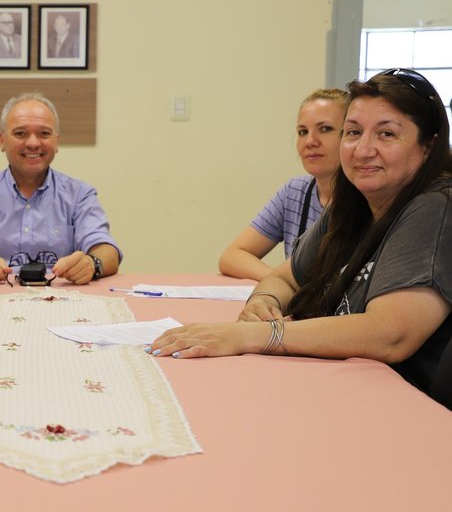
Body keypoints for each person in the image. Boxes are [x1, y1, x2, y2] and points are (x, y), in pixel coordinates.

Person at [149, 69, 451, 409]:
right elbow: (284, 279)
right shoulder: (353, 204)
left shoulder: (435, 206)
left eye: (386, 134)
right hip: (341, 386)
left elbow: (391, 334)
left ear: (429, 146)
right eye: (353, 132)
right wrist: (263, 304)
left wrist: (255, 335)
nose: (364, 149)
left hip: (403, 407)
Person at [0, 92, 122, 285]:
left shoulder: (80, 194)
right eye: (20, 133)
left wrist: (92, 263)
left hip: (61, 296)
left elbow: (107, 251)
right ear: (2, 140)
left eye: (44, 133)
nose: (33, 143)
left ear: (56, 141)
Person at [219, 89, 348, 281]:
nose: (310, 141)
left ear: (352, 135)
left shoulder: (369, 200)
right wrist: (284, 282)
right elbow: (232, 257)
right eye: (302, 132)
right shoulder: (295, 192)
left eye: (325, 129)